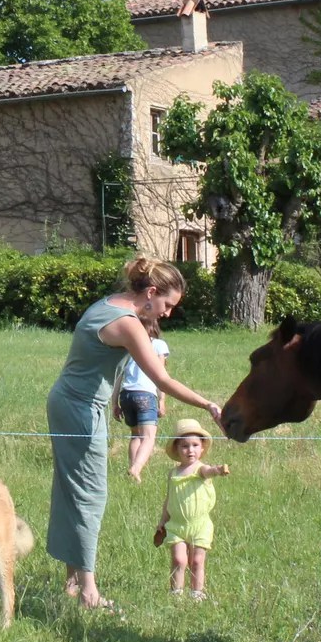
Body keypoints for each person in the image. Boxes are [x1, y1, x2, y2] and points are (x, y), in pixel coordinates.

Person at [47, 257, 220, 610]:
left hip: (68, 402)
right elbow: (162, 380)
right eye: (167, 305)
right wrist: (208, 406)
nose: (167, 314)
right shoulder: (128, 324)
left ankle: (72, 581)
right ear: (151, 293)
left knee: (72, 490)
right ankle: (88, 593)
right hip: (79, 410)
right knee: (90, 495)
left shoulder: (108, 303)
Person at [152, 417, 230, 600]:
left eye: (195, 445)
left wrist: (217, 470)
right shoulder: (173, 473)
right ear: (177, 449)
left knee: (196, 560)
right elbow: (169, 499)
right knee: (179, 559)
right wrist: (163, 521)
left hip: (199, 525)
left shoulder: (200, 469)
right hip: (176, 525)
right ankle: (176, 593)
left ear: (202, 448)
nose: (190, 450)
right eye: (185, 446)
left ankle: (197, 593)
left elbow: (208, 471)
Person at [113, 317, 168, 482]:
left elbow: (118, 376)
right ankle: (136, 469)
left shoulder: (127, 348)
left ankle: (133, 470)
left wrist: (114, 402)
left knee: (135, 435)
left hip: (126, 394)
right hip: (145, 395)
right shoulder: (158, 345)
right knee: (149, 437)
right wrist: (162, 400)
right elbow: (160, 374)